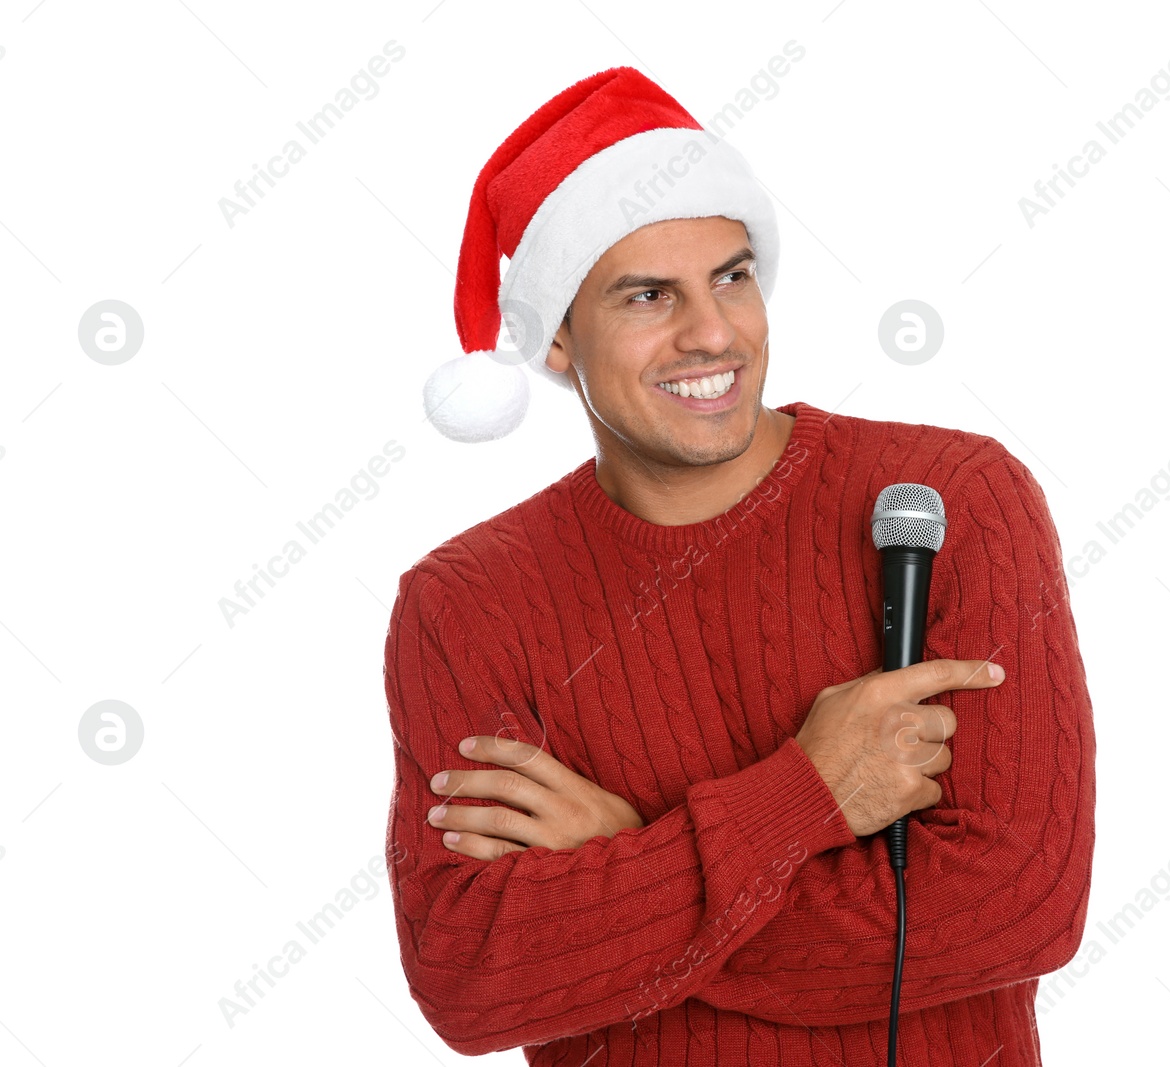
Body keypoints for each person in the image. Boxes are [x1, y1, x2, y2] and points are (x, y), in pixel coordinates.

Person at [383, 66, 1096, 1066]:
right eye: (647, 295)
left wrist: (626, 861)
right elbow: (472, 979)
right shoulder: (465, 604)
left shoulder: (946, 499)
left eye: (732, 274)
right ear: (552, 343)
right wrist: (801, 793)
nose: (713, 332)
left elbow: (1016, 906)